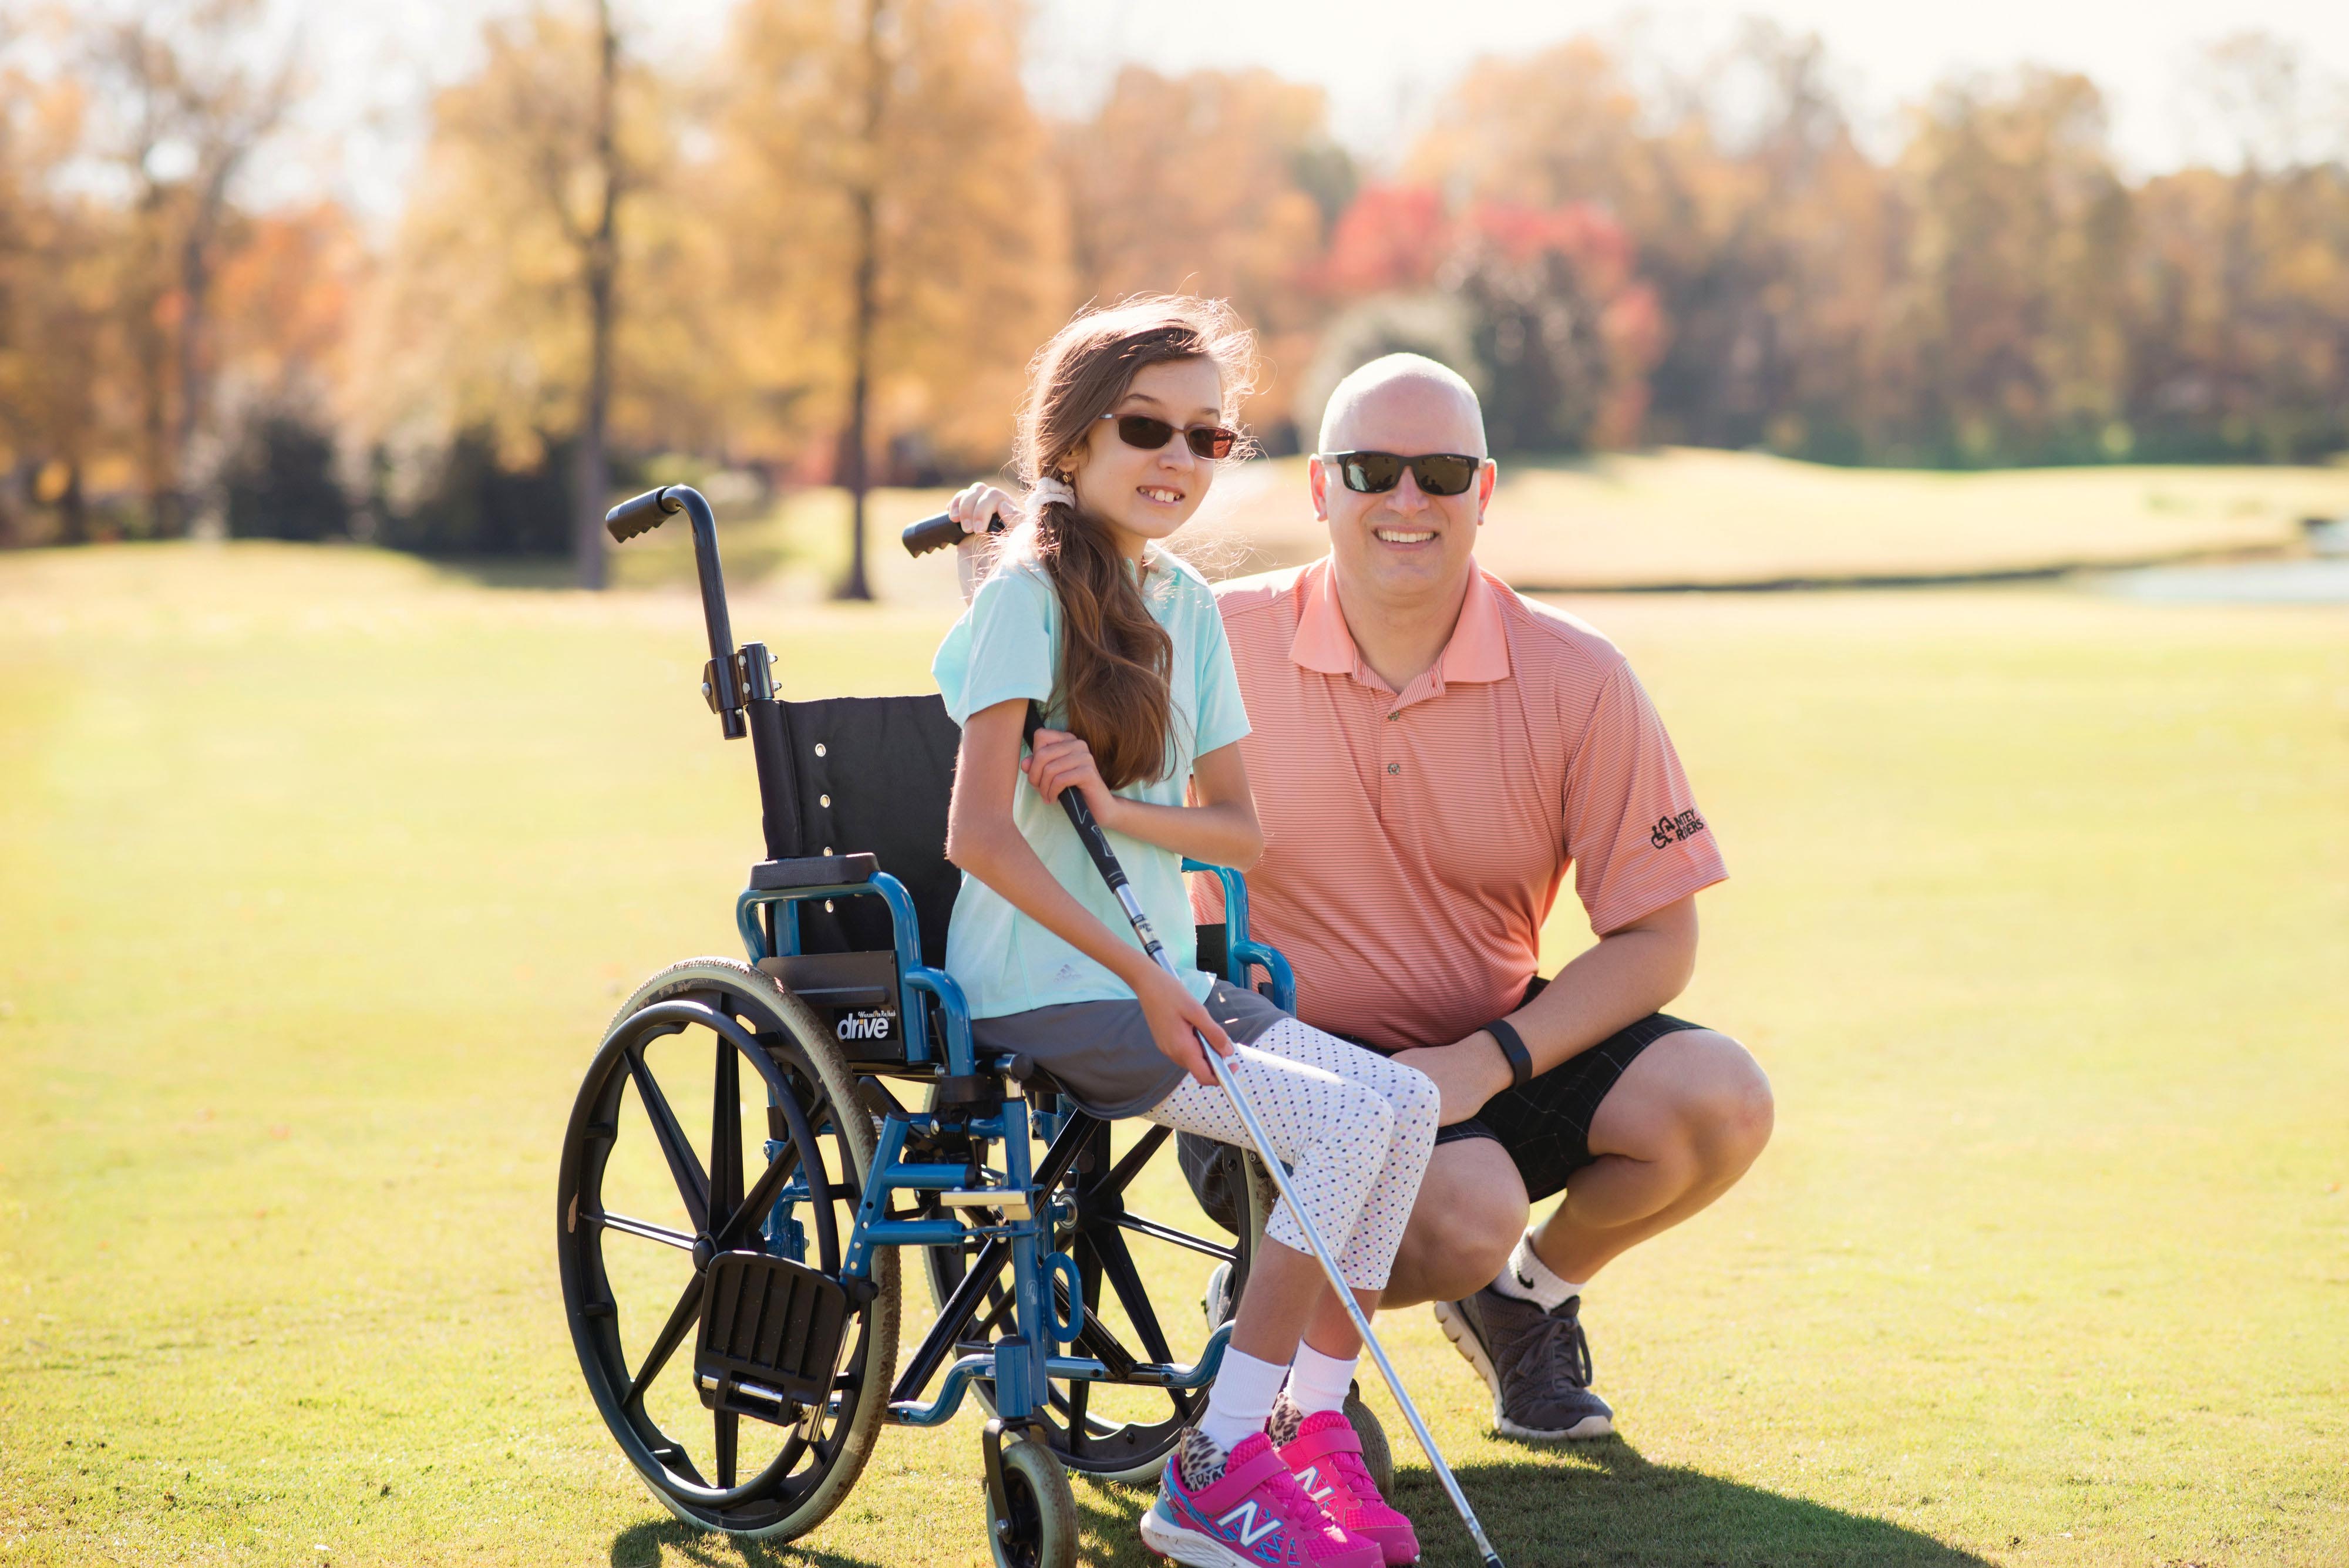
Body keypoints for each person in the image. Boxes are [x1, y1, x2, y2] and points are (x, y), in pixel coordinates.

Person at [935, 297, 1438, 1568]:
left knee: (1402, 1110)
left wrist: (1109, 809)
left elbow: (1240, 835)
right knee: (1329, 1125)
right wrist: (1143, 980)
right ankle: (1212, 1466)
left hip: (1161, 980)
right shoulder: (1024, 602)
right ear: (1068, 444)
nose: (1176, 458)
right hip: (1045, 985)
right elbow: (977, 841)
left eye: (1207, 438)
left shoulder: (1187, 611)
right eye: (1144, 427)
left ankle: (1311, 1429)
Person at [1187, 354, 1774, 1443]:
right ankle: (1265, 1318)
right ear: (1321, 489)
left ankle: (1522, 1300)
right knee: (1473, 1205)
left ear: (1485, 492)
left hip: (1486, 1056)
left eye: (1442, 471)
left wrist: (1486, 1061)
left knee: (1723, 1097)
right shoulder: (1211, 640)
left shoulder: (1579, 675)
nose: (1407, 500)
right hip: (1282, 1072)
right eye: (1371, 469)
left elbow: (1657, 935)